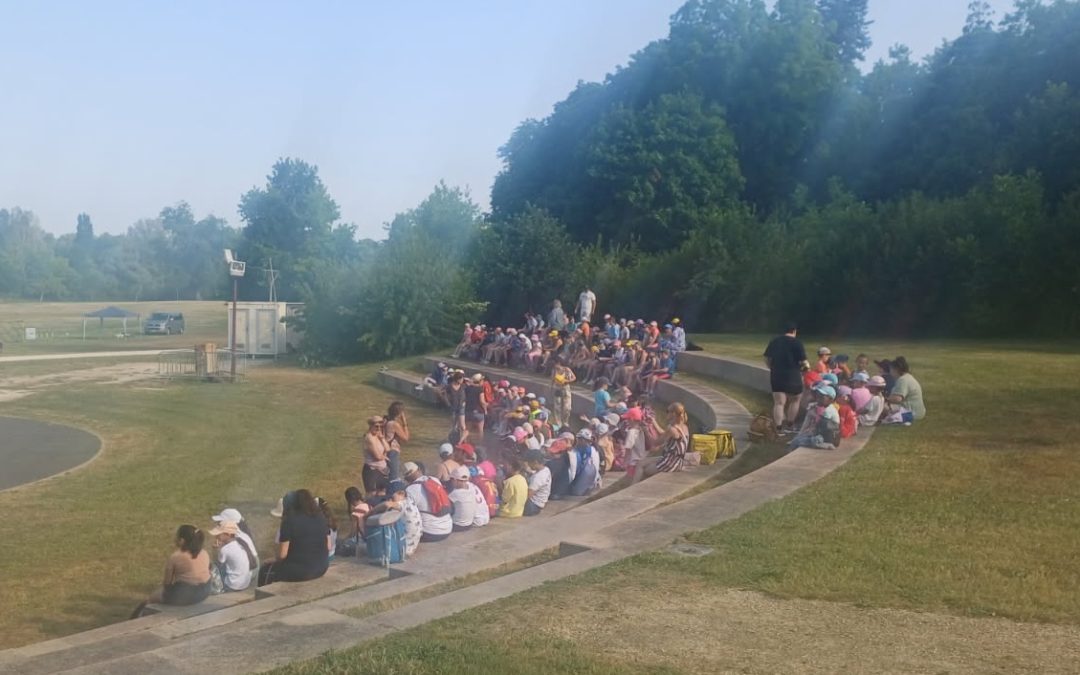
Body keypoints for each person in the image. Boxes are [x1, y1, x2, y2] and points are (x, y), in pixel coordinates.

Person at [132, 525, 211, 617]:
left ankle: (133, 621)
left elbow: (167, 583)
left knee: (149, 600)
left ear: (182, 541)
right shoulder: (204, 553)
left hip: (183, 595)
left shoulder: (176, 557)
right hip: (205, 591)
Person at [257, 490, 331, 587]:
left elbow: (282, 555)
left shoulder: (289, 521)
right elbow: (328, 546)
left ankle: (262, 598)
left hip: (301, 572)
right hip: (322, 567)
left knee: (265, 570)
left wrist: (273, 559)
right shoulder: (320, 516)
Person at [764, 322, 810, 435]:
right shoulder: (797, 342)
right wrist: (806, 370)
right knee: (795, 400)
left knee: (779, 403)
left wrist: (771, 367)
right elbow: (804, 362)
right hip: (793, 375)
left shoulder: (775, 341)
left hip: (777, 375)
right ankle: (790, 425)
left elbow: (766, 358)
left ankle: (778, 428)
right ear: (794, 331)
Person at [402, 462, 454, 543]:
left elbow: (407, 515)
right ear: (419, 470)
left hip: (429, 534)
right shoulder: (434, 480)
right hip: (448, 529)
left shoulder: (410, 490)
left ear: (406, 478)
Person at [788, 386, 841, 451]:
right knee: (799, 439)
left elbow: (821, 423)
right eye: (818, 396)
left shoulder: (829, 410)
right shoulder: (825, 407)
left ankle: (826, 445)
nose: (818, 398)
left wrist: (813, 414)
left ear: (831, 399)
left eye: (822, 397)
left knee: (797, 441)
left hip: (827, 438)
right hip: (823, 435)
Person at [209, 520, 256, 593]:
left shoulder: (225, 549)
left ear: (228, 534)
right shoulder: (241, 542)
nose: (216, 536)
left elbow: (217, 565)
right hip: (245, 583)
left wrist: (215, 550)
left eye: (218, 534)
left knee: (212, 569)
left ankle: (217, 591)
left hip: (233, 585)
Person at [650, 402, 690, 474]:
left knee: (643, 468)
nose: (666, 413)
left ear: (673, 414)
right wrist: (653, 422)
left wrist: (645, 431)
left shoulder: (671, 428)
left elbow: (657, 442)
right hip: (678, 462)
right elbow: (665, 434)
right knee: (641, 463)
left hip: (670, 462)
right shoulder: (684, 427)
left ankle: (634, 485)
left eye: (667, 411)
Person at [448, 466, 489, 531]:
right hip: (480, 520)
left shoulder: (455, 493)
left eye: (451, 479)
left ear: (455, 480)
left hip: (460, 525)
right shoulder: (472, 487)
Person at [886, 356, 926, 422]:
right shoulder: (908, 377)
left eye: (891, 369)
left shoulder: (902, 380)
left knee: (882, 406)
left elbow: (897, 399)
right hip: (918, 411)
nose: (890, 372)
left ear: (896, 370)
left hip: (911, 412)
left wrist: (884, 399)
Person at [363, 416, 390, 497]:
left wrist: (382, 438)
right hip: (372, 471)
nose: (379, 428)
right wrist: (384, 457)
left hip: (382, 470)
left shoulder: (378, 436)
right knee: (371, 495)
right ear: (371, 426)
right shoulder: (369, 438)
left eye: (381, 426)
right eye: (376, 426)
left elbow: (388, 449)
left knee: (382, 494)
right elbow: (377, 456)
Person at [384, 401, 410, 482]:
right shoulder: (394, 424)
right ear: (400, 413)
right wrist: (404, 422)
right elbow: (406, 438)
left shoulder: (385, 420)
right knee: (394, 478)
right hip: (393, 452)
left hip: (386, 450)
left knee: (387, 476)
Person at [524, 449, 552, 516]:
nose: (528, 465)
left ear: (535, 462)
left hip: (532, 506)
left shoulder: (537, 478)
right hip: (540, 503)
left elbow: (528, 495)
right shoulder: (546, 470)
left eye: (529, 463)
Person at [446, 372, 469, 445]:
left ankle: (463, 441)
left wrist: (465, 401)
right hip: (453, 408)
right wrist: (448, 403)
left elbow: (468, 392)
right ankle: (454, 440)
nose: (462, 380)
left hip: (461, 407)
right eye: (461, 379)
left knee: (463, 426)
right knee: (454, 426)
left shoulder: (463, 386)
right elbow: (443, 394)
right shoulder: (449, 387)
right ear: (457, 379)